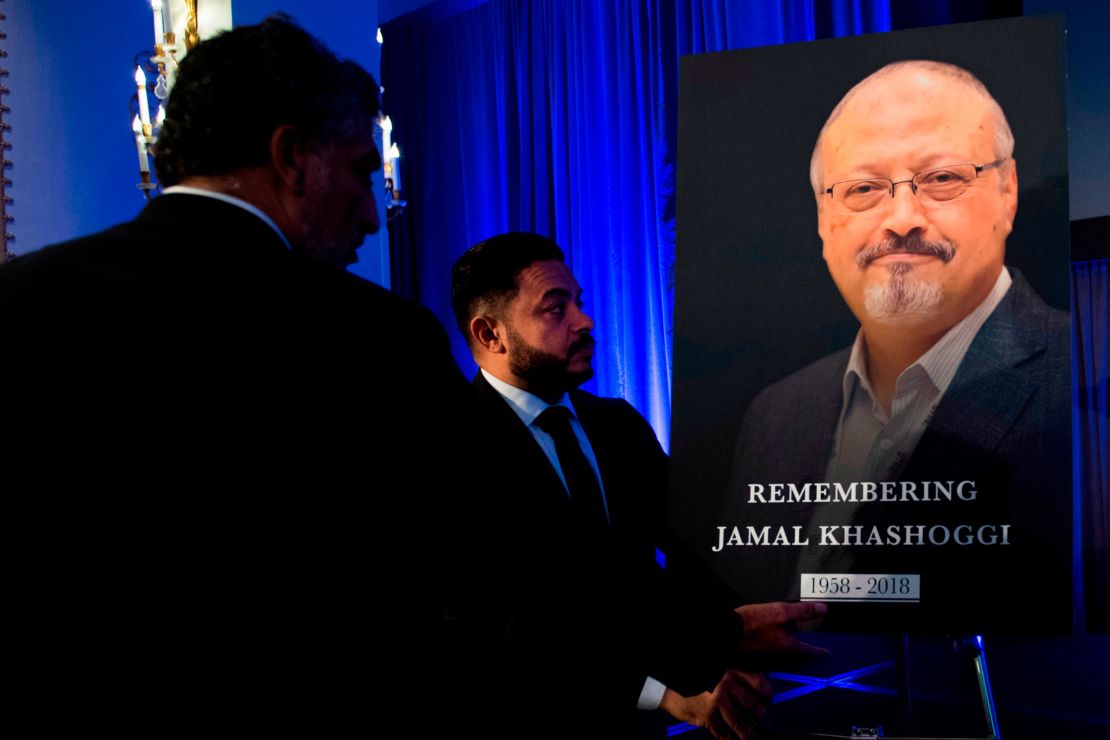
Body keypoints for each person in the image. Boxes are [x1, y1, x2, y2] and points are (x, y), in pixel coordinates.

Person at [1, 16, 468, 730]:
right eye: (357, 171)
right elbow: (458, 584)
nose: (372, 216)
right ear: (290, 157)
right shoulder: (382, 340)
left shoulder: (20, 302)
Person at [716, 60, 1070, 632]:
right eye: (862, 189)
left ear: (1008, 193)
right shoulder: (776, 414)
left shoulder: (1080, 383)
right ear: (823, 220)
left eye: (942, 179)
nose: (902, 219)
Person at [448, 232, 828, 739]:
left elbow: (689, 554)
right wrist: (669, 686)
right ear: (489, 334)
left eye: (578, 303)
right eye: (555, 309)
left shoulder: (618, 424)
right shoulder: (448, 450)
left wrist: (793, 601)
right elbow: (511, 628)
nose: (585, 322)